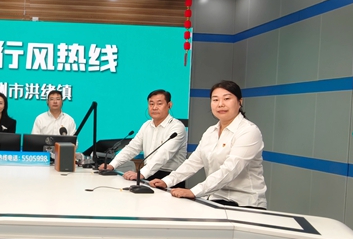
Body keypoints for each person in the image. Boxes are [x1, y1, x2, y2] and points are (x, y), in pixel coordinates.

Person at [151, 80, 267, 209]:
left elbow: (230, 170)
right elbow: (193, 162)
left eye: (227, 99)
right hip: (215, 200)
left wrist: (194, 191)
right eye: (215, 100)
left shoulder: (249, 131)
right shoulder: (211, 131)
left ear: (240, 102)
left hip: (244, 203)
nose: (220, 104)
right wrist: (167, 181)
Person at [98, 90, 187, 186]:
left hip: (170, 177)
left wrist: (142, 173)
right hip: (148, 173)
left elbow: (164, 155)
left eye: (159, 104)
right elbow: (132, 148)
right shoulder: (146, 125)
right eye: (151, 104)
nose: (154, 107)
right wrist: (112, 165)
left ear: (169, 105)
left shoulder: (177, 127)